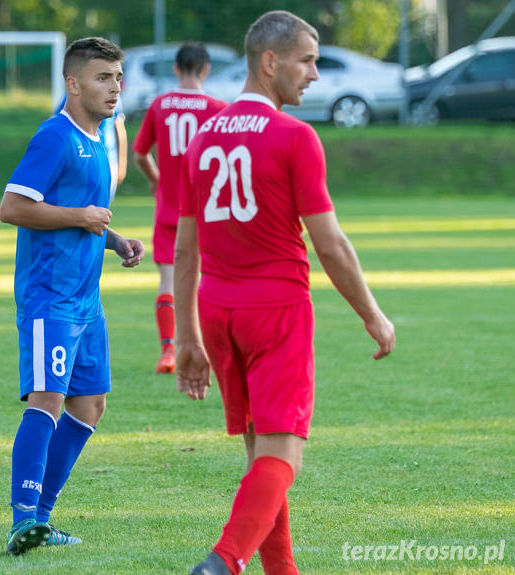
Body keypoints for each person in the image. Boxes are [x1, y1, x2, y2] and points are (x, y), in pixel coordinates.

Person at [173, 12, 396, 575]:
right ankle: (223, 561)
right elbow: (331, 245)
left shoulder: (201, 139)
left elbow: (183, 252)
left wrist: (187, 339)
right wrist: (372, 314)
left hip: (218, 313)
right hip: (276, 312)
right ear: (269, 62)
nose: (315, 74)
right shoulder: (295, 137)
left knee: (260, 458)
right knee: (283, 454)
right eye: (308, 60)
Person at [0, 36, 144, 556]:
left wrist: (115, 239)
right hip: (50, 297)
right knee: (48, 400)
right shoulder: (55, 136)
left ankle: (41, 518)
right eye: (103, 78)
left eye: (119, 77)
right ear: (74, 83)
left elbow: (81, 212)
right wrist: (82, 218)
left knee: (90, 405)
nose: (115, 87)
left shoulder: (99, 138)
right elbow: (13, 207)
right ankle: (22, 522)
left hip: (86, 299)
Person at [132, 42, 227, 375]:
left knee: (169, 281)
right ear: (206, 69)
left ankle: (169, 350)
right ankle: (204, 346)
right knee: (204, 280)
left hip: (169, 210)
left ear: (176, 69)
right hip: (204, 211)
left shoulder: (160, 105)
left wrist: (156, 179)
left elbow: (140, 153)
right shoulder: (217, 108)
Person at [55, 93, 127, 204]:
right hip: (82, 159)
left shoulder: (114, 95)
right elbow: (61, 124)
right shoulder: (74, 94)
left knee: (102, 207)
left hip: (108, 160)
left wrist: (122, 164)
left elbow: (119, 129)